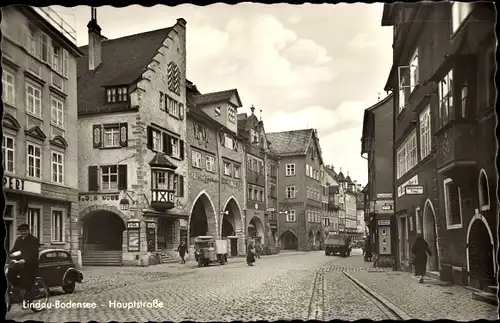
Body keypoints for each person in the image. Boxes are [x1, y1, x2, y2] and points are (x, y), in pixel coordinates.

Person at [8, 224, 41, 301]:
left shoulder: (33, 240)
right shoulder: (19, 240)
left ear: (28, 230)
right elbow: (14, 249)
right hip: (19, 263)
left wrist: (25, 260)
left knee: (24, 277)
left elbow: (33, 253)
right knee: (9, 274)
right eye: (21, 231)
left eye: (25, 231)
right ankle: (18, 290)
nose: (23, 233)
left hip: (30, 264)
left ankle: (32, 293)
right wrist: (10, 255)